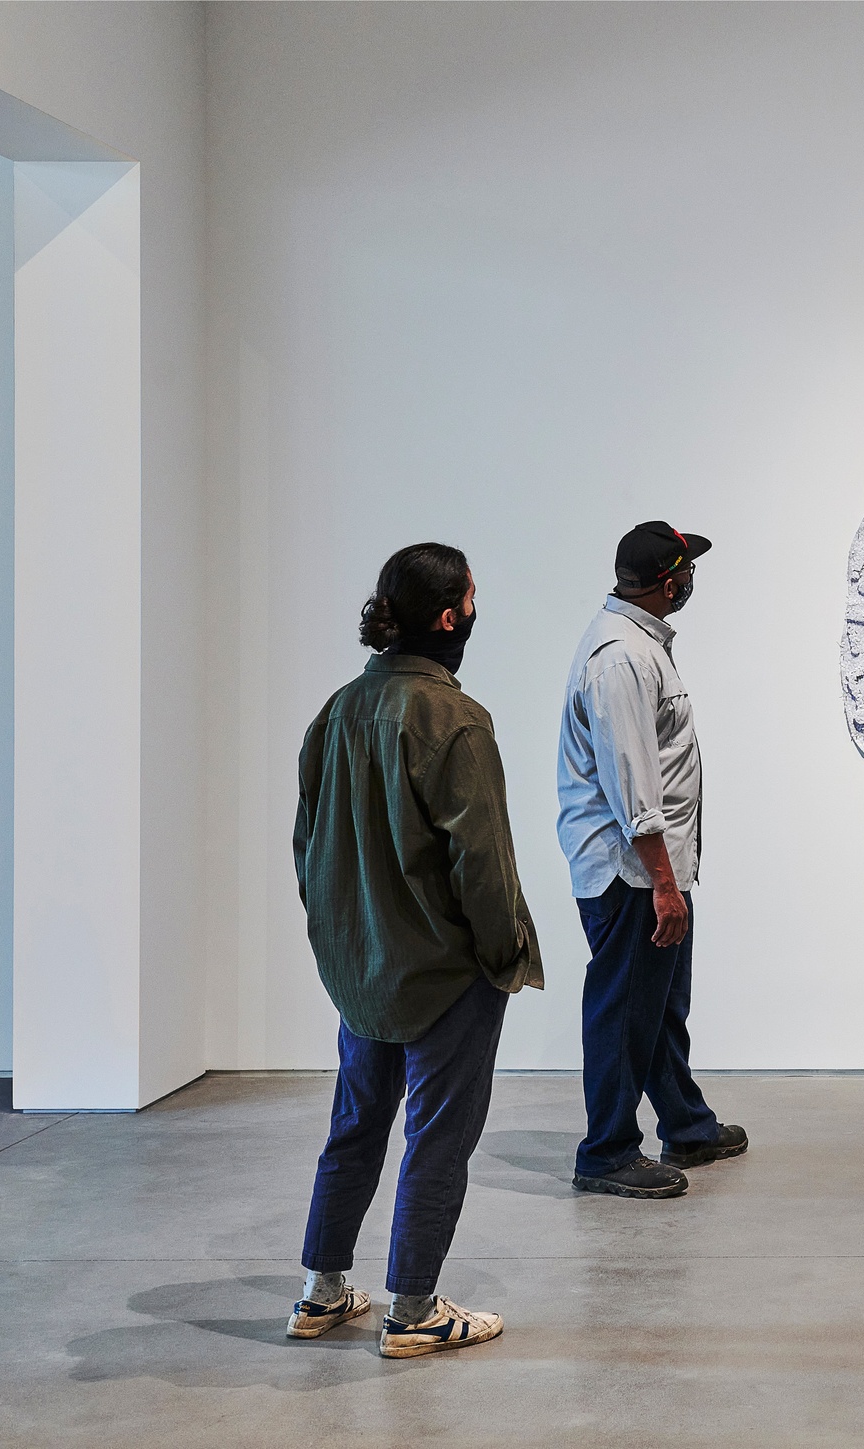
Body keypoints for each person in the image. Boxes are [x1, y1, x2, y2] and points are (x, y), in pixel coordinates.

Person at [288, 542, 543, 1358]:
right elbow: (486, 865)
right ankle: (413, 1309)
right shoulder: (457, 721)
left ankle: (321, 1293)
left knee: (355, 1127)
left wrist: (342, 940)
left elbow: (307, 846)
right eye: (471, 596)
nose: (476, 608)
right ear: (448, 615)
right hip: (444, 975)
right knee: (438, 1137)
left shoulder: (335, 713)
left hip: (363, 971)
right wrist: (503, 956)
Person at [556, 521, 747, 1199]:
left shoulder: (642, 645)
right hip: (629, 870)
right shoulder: (621, 658)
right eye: (687, 568)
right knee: (624, 1011)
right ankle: (605, 1150)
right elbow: (634, 785)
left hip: (655, 868)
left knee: (661, 1003)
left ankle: (685, 1124)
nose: (692, 577)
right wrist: (665, 884)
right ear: (669, 583)